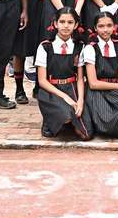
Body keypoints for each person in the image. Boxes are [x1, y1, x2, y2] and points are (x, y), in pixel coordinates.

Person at [35, 7, 92, 140]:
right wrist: (65, 98)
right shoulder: (45, 46)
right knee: (67, 115)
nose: (66, 26)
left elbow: (79, 78)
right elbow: (42, 80)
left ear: (76, 25)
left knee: (86, 133)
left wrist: (80, 100)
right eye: (62, 22)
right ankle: (53, 120)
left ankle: (63, 121)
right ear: (55, 23)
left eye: (70, 22)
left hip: (72, 87)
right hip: (51, 90)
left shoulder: (80, 46)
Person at [83, 12, 118, 138]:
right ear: (95, 28)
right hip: (97, 92)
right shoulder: (91, 48)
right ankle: (110, 127)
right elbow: (93, 83)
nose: (105, 30)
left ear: (114, 27)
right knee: (106, 118)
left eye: (109, 25)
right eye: (101, 26)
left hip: (114, 90)